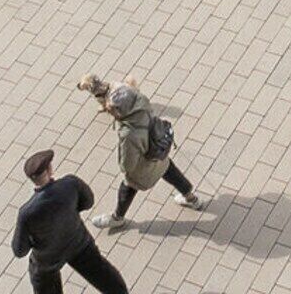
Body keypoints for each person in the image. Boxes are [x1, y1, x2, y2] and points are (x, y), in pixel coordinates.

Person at [80, 77, 203, 229]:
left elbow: (128, 165)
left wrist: (124, 168)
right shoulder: (143, 105)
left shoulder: (129, 133)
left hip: (145, 164)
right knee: (168, 170)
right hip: (160, 151)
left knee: (128, 185)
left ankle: (117, 217)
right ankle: (191, 198)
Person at [13, 150, 127, 294]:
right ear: (49, 170)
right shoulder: (70, 184)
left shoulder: (26, 213)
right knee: (109, 281)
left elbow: (19, 250)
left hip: (47, 260)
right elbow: (88, 202)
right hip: (79, 244)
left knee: (43, 281)